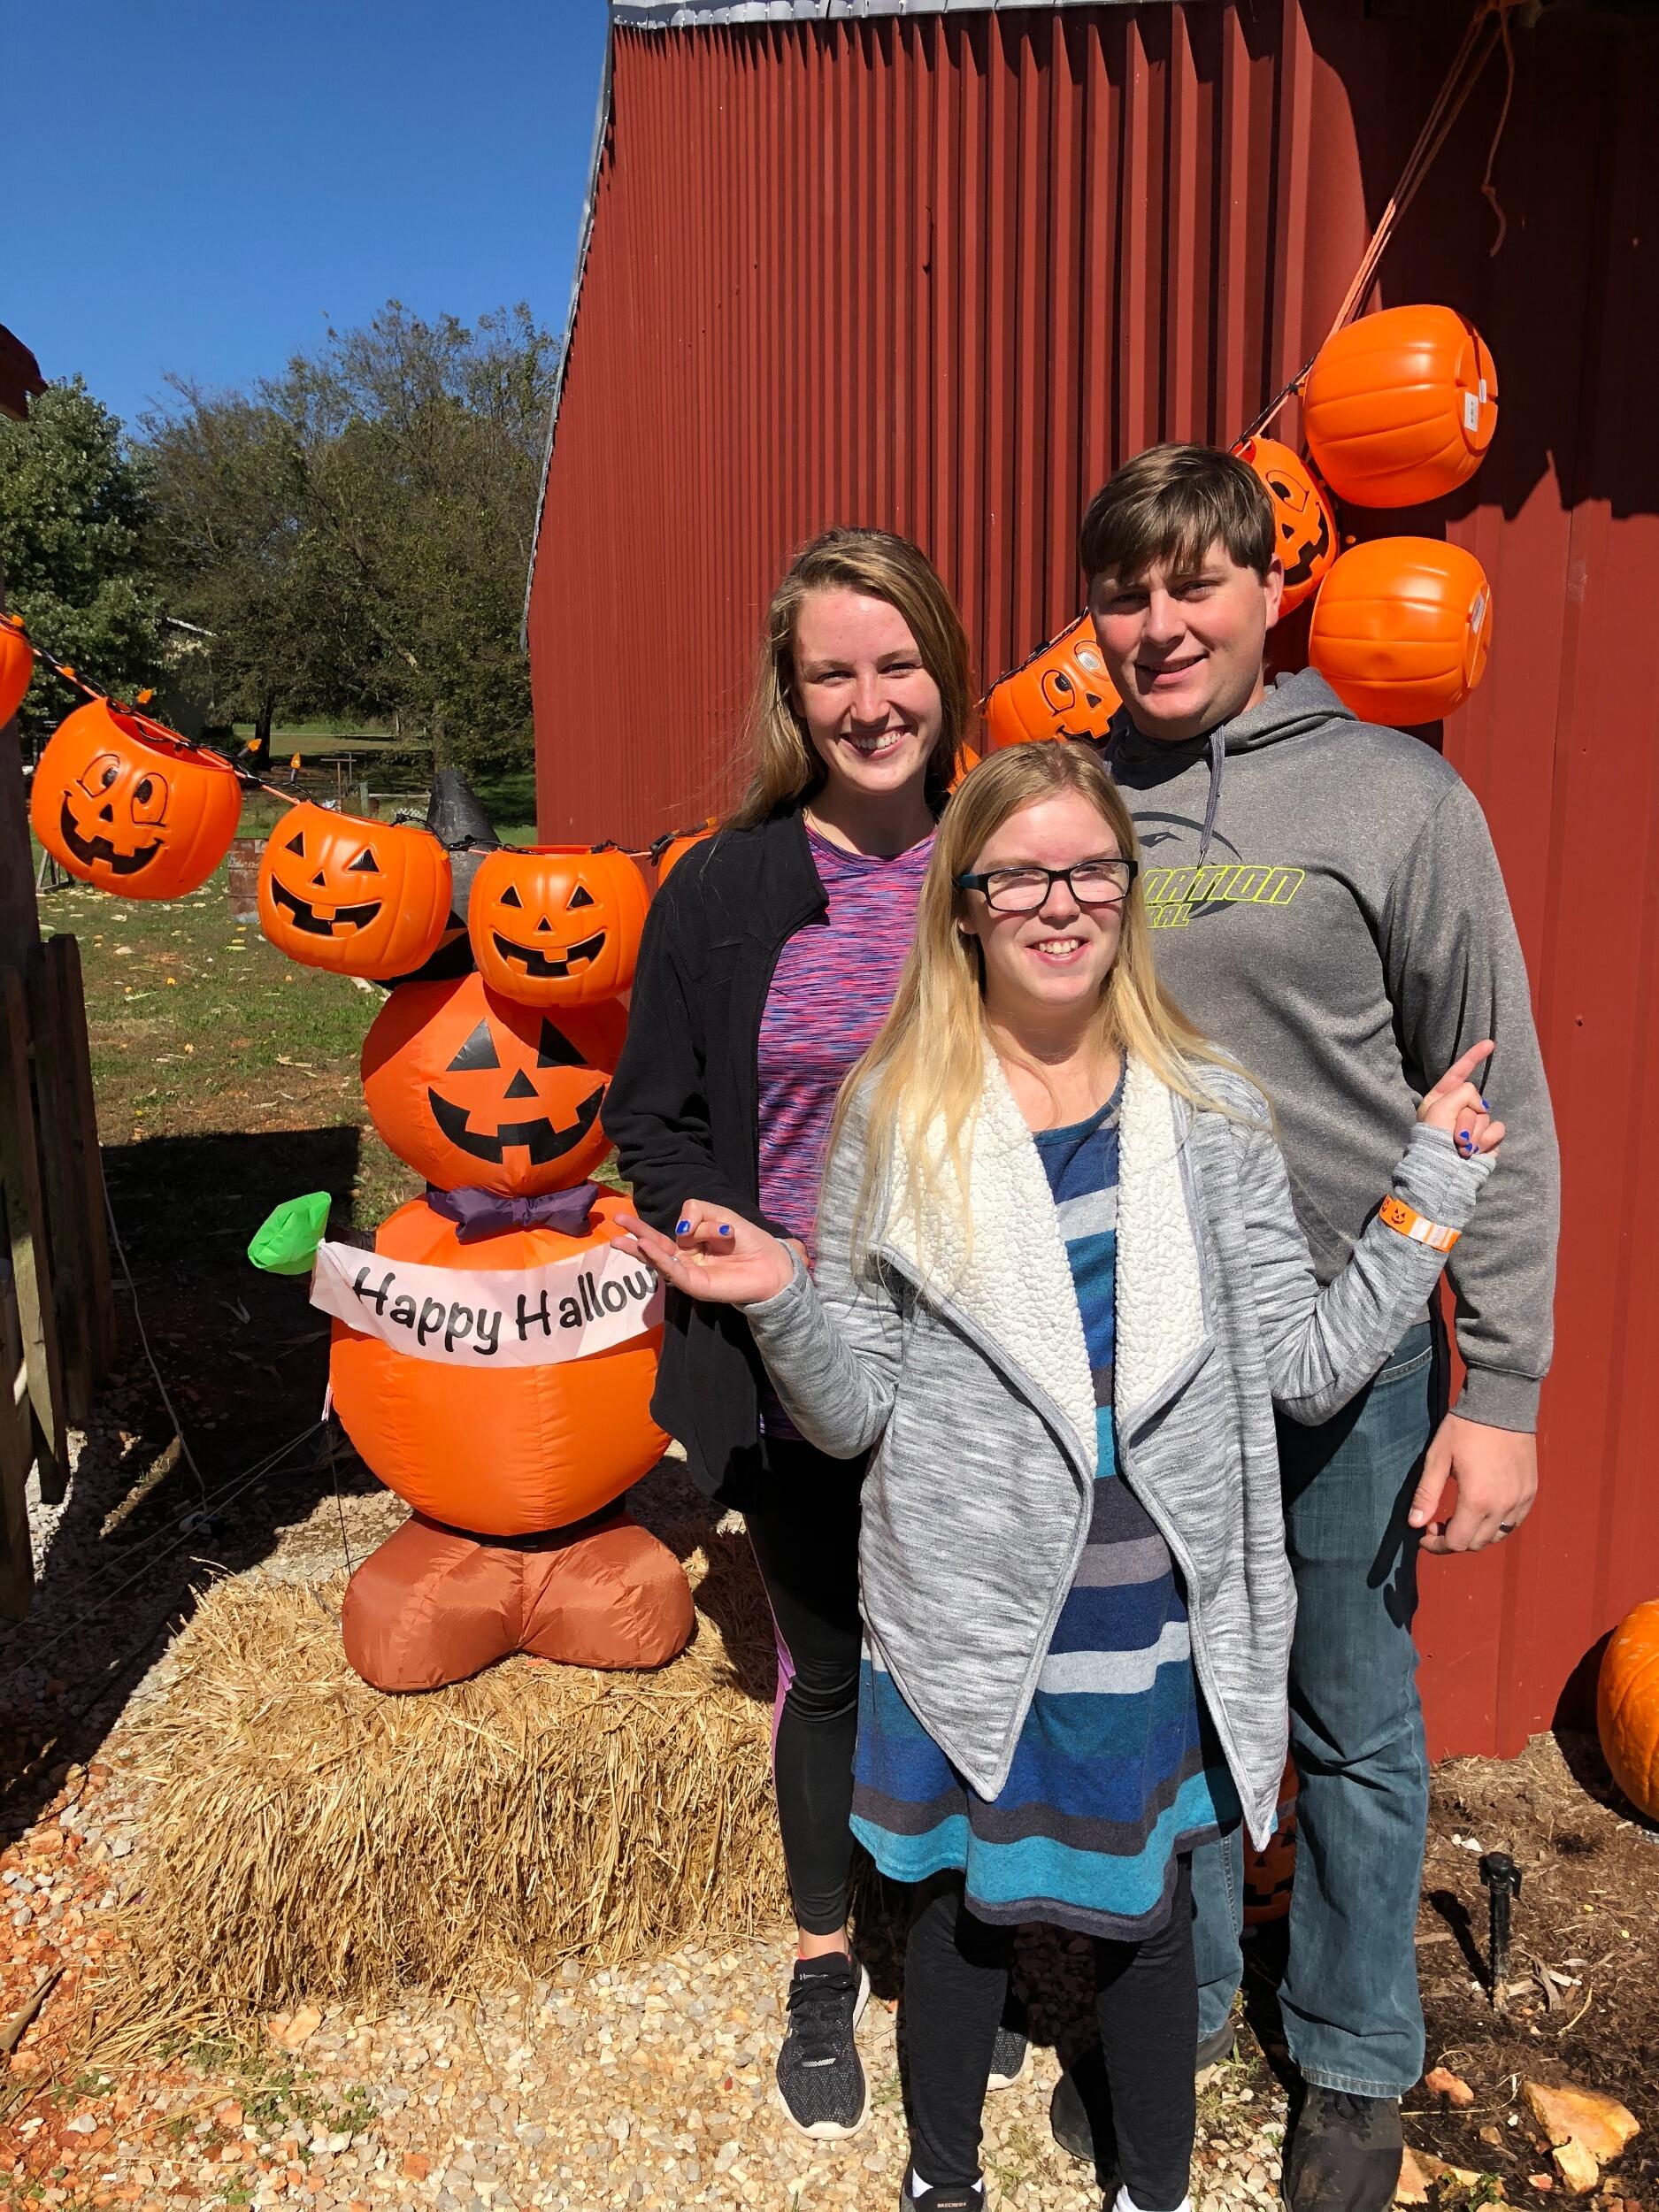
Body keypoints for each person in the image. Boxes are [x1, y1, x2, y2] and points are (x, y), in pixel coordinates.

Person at [616, 740, 1502, 2212]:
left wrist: (1425, 1197)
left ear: (1127, 892)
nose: (1058, 901)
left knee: (1146, 1923)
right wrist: (780, 1293)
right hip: (976, 1617)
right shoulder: (896, 1120)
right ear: (964, 904)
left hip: (1147, 1628)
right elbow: (851, 1418)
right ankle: (941, 2183)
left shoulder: (1210, 1112)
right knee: (967, 1918)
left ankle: (1153, 2188)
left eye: (1090, 868)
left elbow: (1304, 1366)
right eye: (1018, 873)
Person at [1061, 443, 1560, 2212]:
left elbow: (1496, 1093)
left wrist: (1492, 1384)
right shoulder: (1064, 802)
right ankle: (1179, 2007)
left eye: (1194, 580)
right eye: (1124, 587)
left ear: (1271, 589)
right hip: (1140, 1349)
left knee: (1344, 1711)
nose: (1157, 620)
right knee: (1167, 1705)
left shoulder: (1387, 798)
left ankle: (1351, 2049)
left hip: (1347, 1353)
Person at [605, 526, 995, 2139]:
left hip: (984, 1356)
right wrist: (733, 1251)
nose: (869, 698)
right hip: (793, 1359)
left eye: (895, 661)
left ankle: (988, 1944)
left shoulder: (1004, 862)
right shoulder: (726, 884)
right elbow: (658, 1120)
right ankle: (827, 1957)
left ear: (943, 669)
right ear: (793, 692)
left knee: (981, 1662)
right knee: (826, 1662)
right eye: (832, 670)